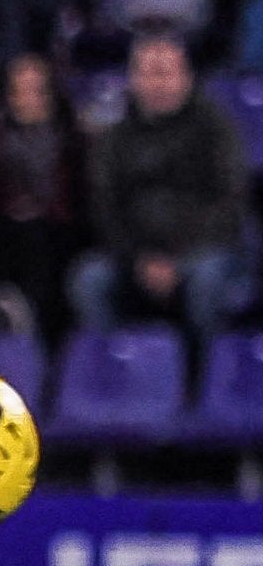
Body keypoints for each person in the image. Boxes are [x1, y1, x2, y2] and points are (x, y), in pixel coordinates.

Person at [70, 35, 249, 354]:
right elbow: (106, 206)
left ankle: (201, 376)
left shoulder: (216, 129)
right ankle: (120, 370)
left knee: (207, 279)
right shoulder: (116, 137)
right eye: (148, 73)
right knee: (89, 278)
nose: (157, 84)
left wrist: (177, 258)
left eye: (165, 73)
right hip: (135, 256)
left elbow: (229, 199)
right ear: (133, 79)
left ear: (186, 77)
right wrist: (140, 258)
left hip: (202, 250)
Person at [0, 52, 85, 343]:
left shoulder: (71, 136)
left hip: (56, 231)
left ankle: (37, 338)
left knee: (43, 241)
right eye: (19, 90)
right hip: (2, 227)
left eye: (36, 90)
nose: (28, 99)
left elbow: (76, 200)